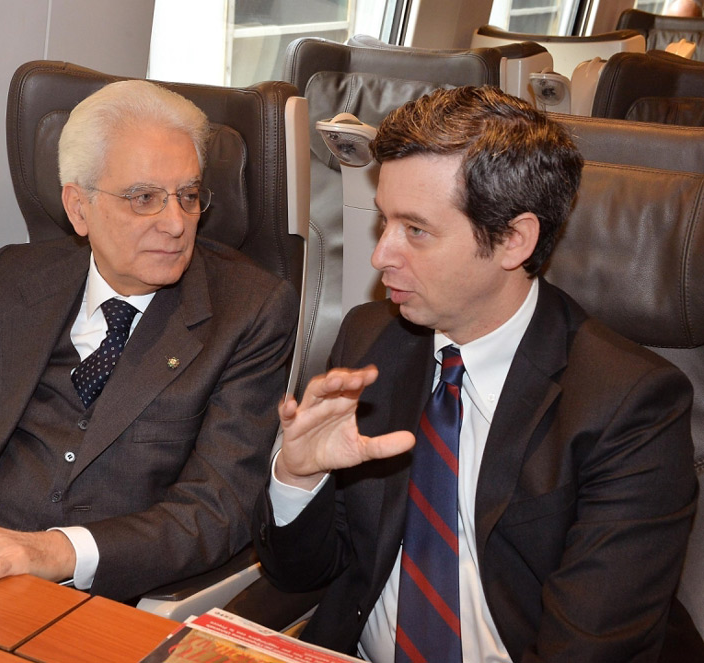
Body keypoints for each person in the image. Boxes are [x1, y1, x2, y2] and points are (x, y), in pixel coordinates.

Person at [253, 86, 701, 662]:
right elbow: (302, 575)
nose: (380, 254)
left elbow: (587, 650)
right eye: (384, 222)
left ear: (514, 240)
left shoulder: (631, 404)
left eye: (415, 230)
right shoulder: (372, 340)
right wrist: (298, 476)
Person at [0, 79, 298, 602]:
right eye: (144, 198)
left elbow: (217, 509)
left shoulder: (251, 310)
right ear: (78, 209)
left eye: (189, 195)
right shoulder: (12, 278)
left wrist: (56, 551)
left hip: (99, 595)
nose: (176, 223)